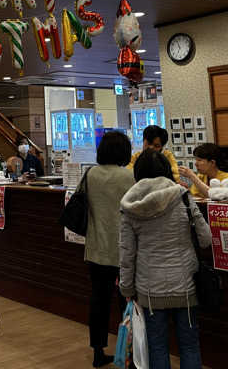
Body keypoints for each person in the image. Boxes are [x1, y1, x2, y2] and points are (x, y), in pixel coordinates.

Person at [119, 150, 212, 369]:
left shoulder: (130, 204)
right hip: (185, 284)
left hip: (149, 289)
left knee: (157, 346)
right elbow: (206, 238)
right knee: (189, 346)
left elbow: (126, 253)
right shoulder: (182, 196)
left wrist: (126, 288)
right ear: (165, 169)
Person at [85, 131, 136, 367]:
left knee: (98, 302)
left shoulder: (90, 174)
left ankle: (98, 351)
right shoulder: (128, 177)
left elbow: (78, 202)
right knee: (127, 303)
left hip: (95, 249)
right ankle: (129, 352)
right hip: (123, 251)